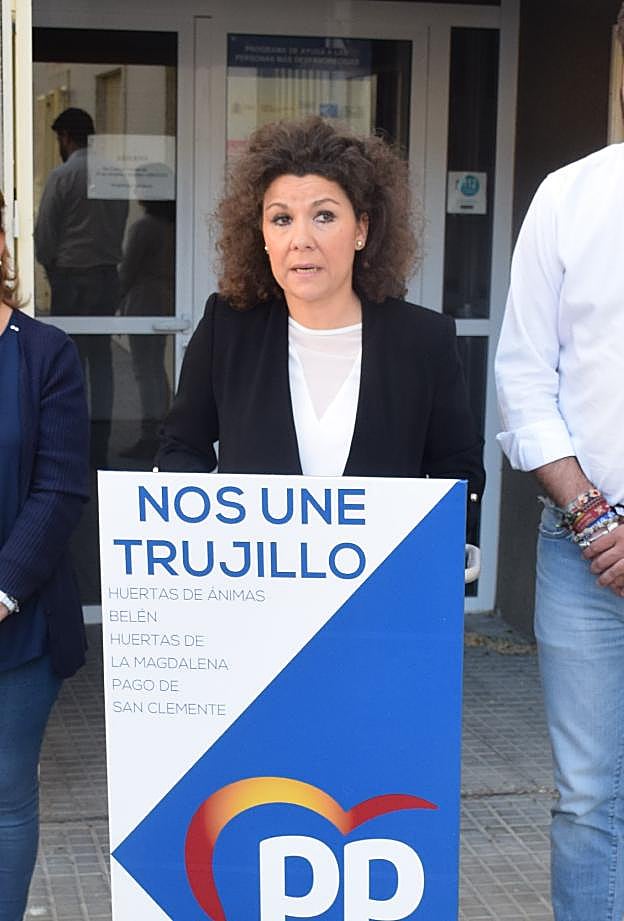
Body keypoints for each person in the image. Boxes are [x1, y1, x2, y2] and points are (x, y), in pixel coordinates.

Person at [158, 117, 484, 539]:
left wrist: (437, 558)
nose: (301, 239)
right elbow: (182, 447)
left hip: (382, 577)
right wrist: (203, 534)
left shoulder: (423, 340)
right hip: (257, 575)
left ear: (362, 229)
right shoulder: (228, 329)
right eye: (281, 219)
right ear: (262, 235)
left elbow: (457, 473)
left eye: (324, 216)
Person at [495, 10, 624, 915]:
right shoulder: (570, 196)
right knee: (588, 799)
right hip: (584, 553)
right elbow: (522, 376)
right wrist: (593, 515)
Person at [0, 191, 89, 920]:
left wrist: (2, 589)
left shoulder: (44, 352)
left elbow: (60, 487)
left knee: (5, 797)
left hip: (18, 624)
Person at [34, 107, 128, 467]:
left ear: (66, 138)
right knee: (102, 362)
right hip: (106, 275)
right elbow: (120, 220)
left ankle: (71, 444)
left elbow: (46, 231)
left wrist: (50, 267)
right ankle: (99, 446)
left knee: (70, 362)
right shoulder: (113, 174)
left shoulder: (63, 175)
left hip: (71, 278)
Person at [119, 185, 174, 460]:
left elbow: (128, 269)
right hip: (165, 298)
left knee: (145, 369)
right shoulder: (173, 225)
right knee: (155, 368)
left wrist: (113, 301)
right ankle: (160, 429)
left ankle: (150, 434)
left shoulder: (145, 227)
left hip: (144, 301)